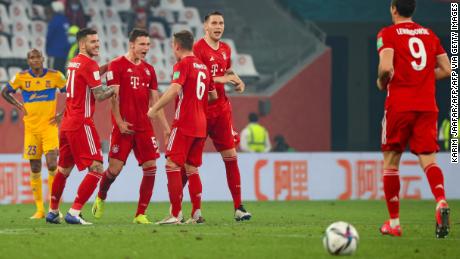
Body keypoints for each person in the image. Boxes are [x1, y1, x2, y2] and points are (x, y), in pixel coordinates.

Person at [376, 0, 452, 238]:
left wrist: (381, 81)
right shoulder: (429, 34)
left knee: (391, 160)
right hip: (427, 106)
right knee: (428, 159)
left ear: (393, 9)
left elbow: (386, 68)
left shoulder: (387, 34)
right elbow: (448, 70)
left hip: (399, 105)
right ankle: (440, 201)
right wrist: (422, 78)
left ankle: (395, 223)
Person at [91, 28, 170, 224]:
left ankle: (140, 214)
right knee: (114, 170)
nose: (146, 48)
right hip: (123, 127)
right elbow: (113, 98)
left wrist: (166, 128)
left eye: (148, 44)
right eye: (142, 44)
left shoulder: (149, 70)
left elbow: (156, 101)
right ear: (132, 45)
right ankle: (101, 196)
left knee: (151, 167)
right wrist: (119, 122)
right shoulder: (116, 65)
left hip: (144, 127)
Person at [45, 28, 115, 225]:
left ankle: (52, 211)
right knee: (97, 168)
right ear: (82, 44)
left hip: (67, 123)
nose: (97, 44)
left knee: (63, 170)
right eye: (93, 41)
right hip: (81, 122)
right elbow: (100, 95)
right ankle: (74, 212)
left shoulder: (74, 63)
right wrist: (114, 90)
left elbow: (86, 78)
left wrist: (104, 68)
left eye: (98, 41)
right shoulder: (90, 64)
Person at [147, 30, 217, 224]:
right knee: (191, 168)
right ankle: (196, 213)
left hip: (185, 122)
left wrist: (155, 108)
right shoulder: (203, 67)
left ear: (177, 46)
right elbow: (213, 96)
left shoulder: (182, 64)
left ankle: (175, 214)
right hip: (201, 124)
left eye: (172, 46)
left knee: (172, 164)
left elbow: (174, 89)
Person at [192, 11, 251, 221]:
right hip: (200, 111)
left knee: (231, 158)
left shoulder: (225, 49)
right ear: (205, 27)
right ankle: (185, 211)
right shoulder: (198, 48)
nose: (218, 26)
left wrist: (237, 79)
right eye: (214, 23)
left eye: (221, 23)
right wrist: (224, 79)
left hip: (221, 112)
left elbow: (227, 71)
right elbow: (200, 77)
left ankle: (239, 207)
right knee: (190, 163)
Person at [1, 49, 66, 219]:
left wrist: (62, 114)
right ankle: (39, 210)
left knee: (52, 164)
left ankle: (54, 208)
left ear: (43, 59)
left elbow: (72, 93)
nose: (35, 60)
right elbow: (4, 92)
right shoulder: (21, 77)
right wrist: (18, 105)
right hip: (31, 129)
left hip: (49, 127)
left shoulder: (55, 76)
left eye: (38, 57)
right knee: (35, 167)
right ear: (28, 61)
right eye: (32, 58)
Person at [46, 1, 70, 74]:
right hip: (65, 52)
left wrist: (47, 49)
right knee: (62, 73)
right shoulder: (66, 20)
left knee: (53, 73)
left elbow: (49, 36)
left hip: (55, 52)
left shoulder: (54, 21)